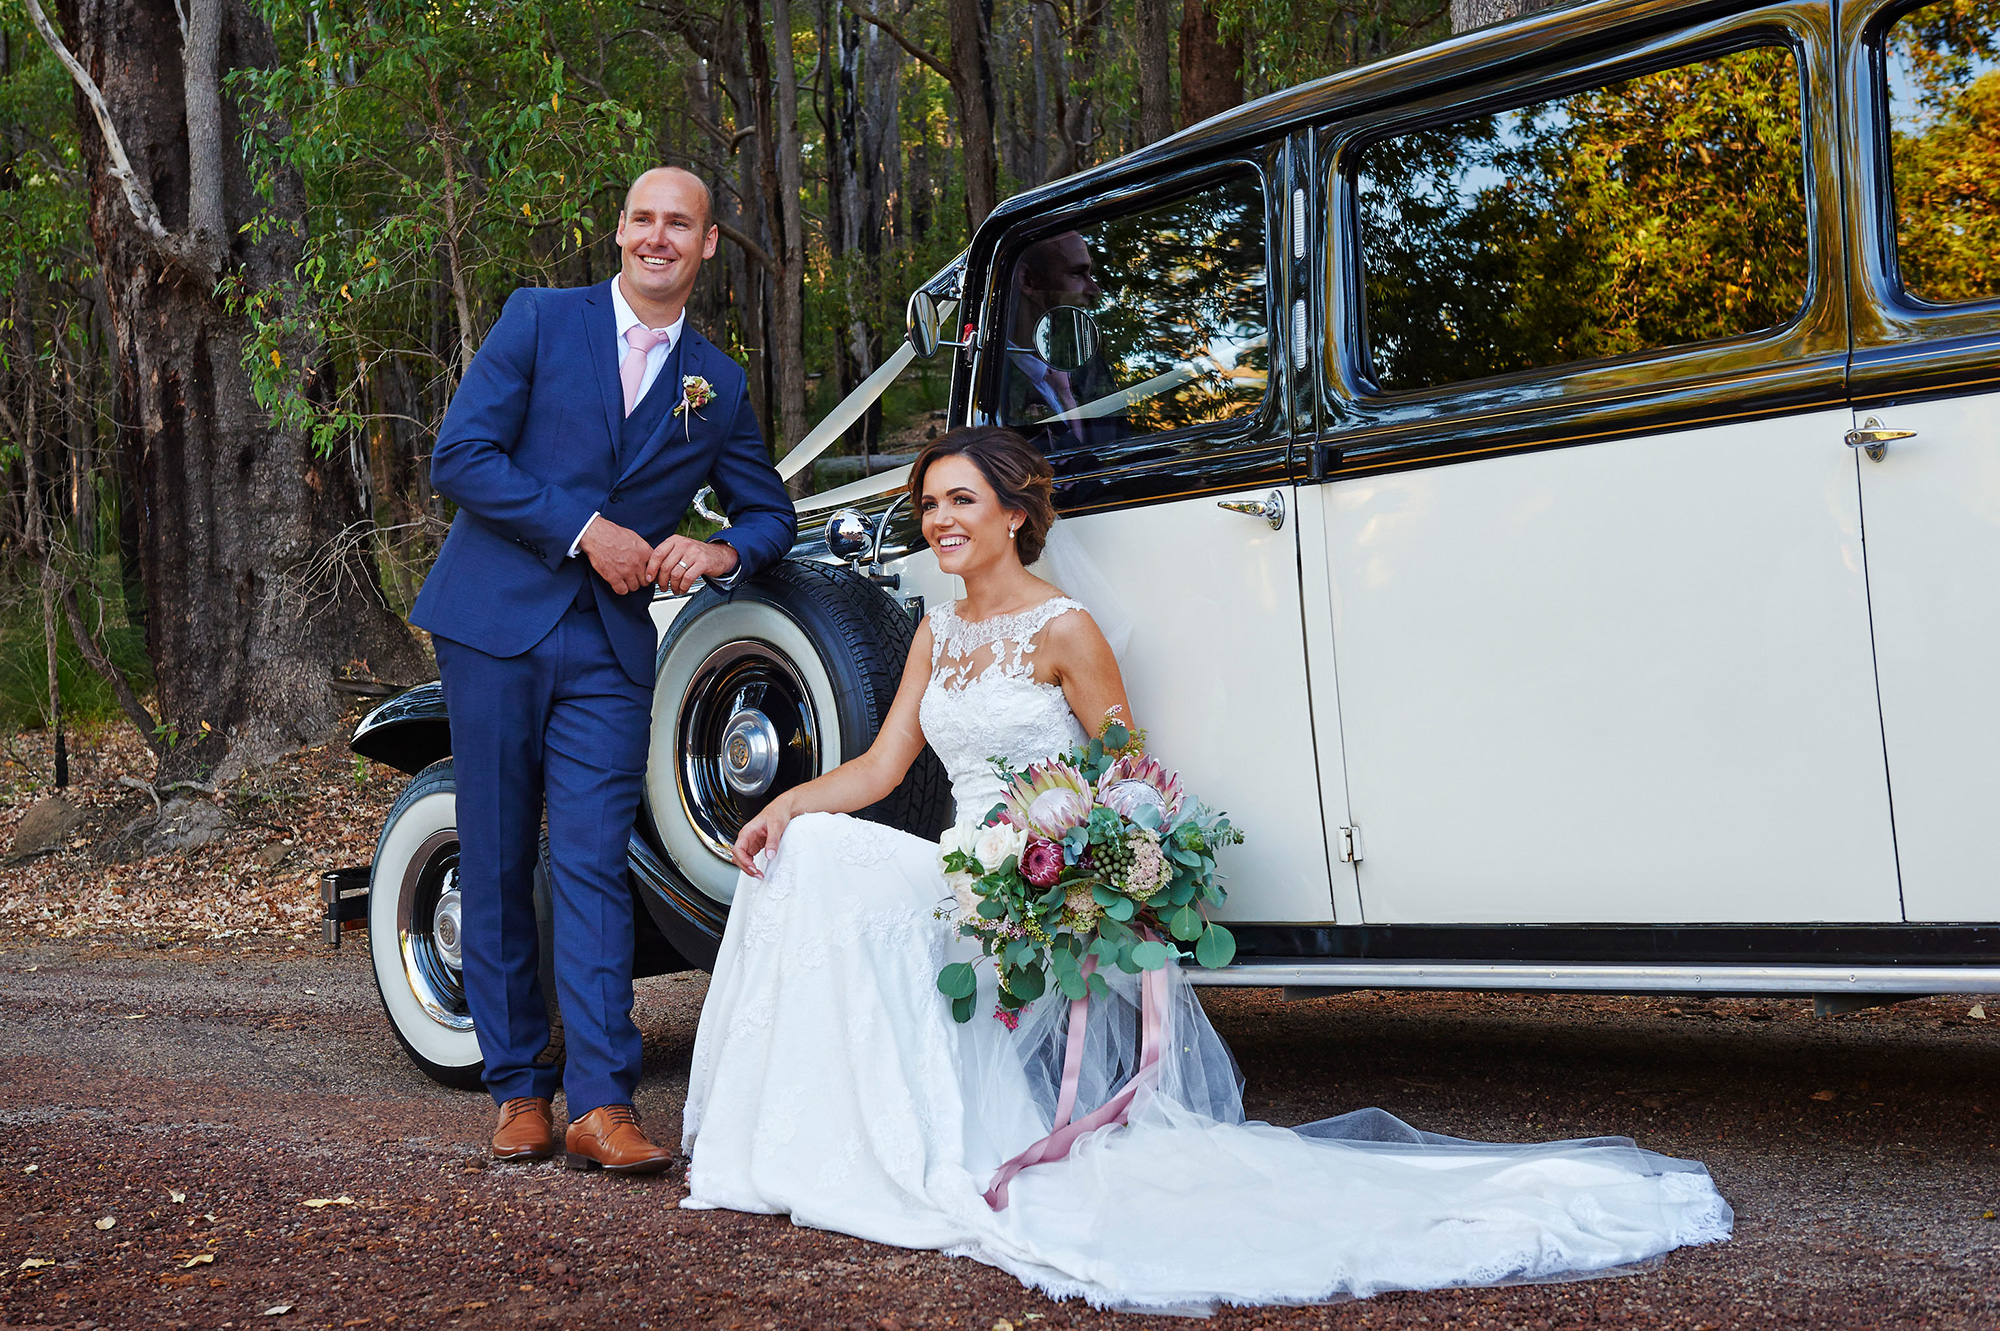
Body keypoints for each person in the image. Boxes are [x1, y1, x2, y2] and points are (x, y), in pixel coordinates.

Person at [681, 426, 1730, 1311]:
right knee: (810, 848)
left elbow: (1126, 779)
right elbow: (877, 766)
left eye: (959, 499)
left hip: (1026, 885)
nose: (937, 520)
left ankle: (895, 1139)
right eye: (927, 504)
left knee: (841, 865)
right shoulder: (935, 632)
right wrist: (778, 803)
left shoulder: (1064, 629)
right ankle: (809, 1140)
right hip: (960, 864)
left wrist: (1060, 879)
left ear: (1013, 511)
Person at [412, 166, 795, 1173]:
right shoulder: (539, 319)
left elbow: (767, 512)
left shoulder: (717, 382)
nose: (656, 237)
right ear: (618, 229)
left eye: (679, 223)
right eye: (641, 219)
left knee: (591, 861)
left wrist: (720, 552)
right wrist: (587, 531)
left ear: (707, 243)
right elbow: (461, 455)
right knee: (494, 850)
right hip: (494, 622)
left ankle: (603, 1100)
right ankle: (515, 1089)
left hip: (611, 646)